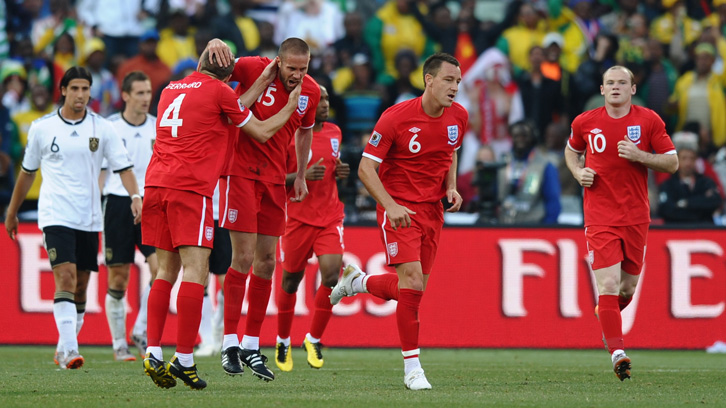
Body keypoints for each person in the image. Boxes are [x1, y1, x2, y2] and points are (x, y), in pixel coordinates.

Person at [141, 50, 301, 390]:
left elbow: (229, 108)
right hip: (190, 188)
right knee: (195, 272)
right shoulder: (219, 93)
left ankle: (153, 350)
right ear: (229, 77)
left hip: (155, 183)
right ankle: (184, 359)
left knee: (165, 271)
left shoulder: (171, 88)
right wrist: (289, 108)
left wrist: (257, 80)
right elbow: (257, 130)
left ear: (199, 65)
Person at [330, 52, 468, 390]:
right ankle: (412, 369)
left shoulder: (459, 116)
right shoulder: (396, 117)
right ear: (429, 80)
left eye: (458, 82)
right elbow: (365, 168)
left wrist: (450, 185)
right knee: (412, 282)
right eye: (448, 80)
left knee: (412, 289)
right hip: (399, 209)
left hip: (432, 210)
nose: (454, 88)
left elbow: (451, 150)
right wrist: (390, 206)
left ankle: (358, 283)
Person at [4, 66, 143, 370]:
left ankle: (62, 346)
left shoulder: (102, 128)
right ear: (63, 91)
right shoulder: (42, 128)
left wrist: (135, 197)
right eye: (75, 88)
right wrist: (12, 212)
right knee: (64, 277)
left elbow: (123, 168)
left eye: (85, 89)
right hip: (55, 214)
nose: (81, 94)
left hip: (90, 218)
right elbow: (27, 174)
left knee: (80, 287)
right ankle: (69, 350)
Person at [204, 37, 320, 382]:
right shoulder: (252, 67)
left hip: (273, 180)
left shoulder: (310, 92)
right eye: (292, 68)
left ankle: (252, 344)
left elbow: (305, 132)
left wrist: (299, 174)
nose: (297, 75)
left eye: (304, 69)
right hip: (239, 173)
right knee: (242, 257)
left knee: (267, 261)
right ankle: (229, 342)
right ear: (279, 62)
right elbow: (208, 74)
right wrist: (211, 45)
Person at [565, 65, 678, 381]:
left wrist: (640, 155)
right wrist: (578, 173)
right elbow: (571, 150)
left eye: (621, 83)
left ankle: (607, 314)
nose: (615, 87)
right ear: (601, 90)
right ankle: (618, 353)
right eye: (609, 83)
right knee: (609, 285)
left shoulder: (648, 120)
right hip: (600, 217)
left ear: (632, 88)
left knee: (626, 288)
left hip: (636, 216)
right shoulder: (585, 122)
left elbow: (672, 161)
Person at [275, 84, 350, 372]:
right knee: (290, 282)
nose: (325, 104)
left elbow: (333, 165)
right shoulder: (289, 133)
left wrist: (339, 171)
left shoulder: (335, 132)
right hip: (297, 218)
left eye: (328, 98)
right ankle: (283, 340)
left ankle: (313, 338)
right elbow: (274, 177)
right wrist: (300, 176)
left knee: (332, 276)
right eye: (319, 99)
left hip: (330, 216)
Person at [100, 71, 157, 362]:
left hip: (152, 203)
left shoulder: (158, 127)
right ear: (125, 96)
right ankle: (119, 342)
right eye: (140, 93)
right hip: (118, 204)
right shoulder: (108, 127)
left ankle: (142, 329)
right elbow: (99, 170)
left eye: (148, 93)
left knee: (161, 271)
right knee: (119, 279)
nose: (146, 98)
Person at [658, 131, 722, 224]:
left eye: (691, 158)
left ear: (696, 159)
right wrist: (700, 208)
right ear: (678, 159)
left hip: (704, 231)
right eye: (684, 158)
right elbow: (666, 210)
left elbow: (715, 202)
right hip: (675, 232)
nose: (688, 163)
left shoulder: (706, 182)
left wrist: (685, 203)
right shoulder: (668, 184)